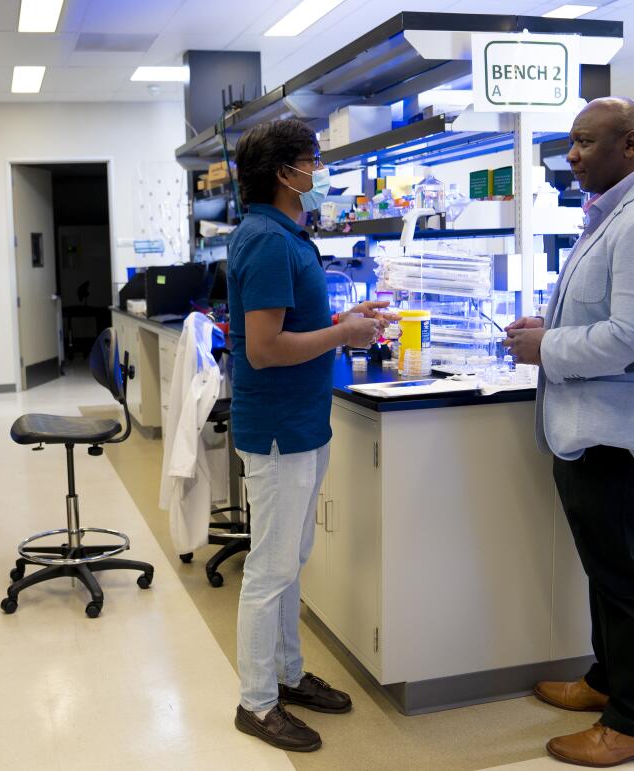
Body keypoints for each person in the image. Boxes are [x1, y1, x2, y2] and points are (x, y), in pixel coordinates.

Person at [504, 97, 634, 767]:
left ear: (631, 144)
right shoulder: (616, 213)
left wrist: (547, 349)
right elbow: (608, 313)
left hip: (630, 437)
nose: (572, 155)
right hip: (600, 431)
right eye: (572, 142)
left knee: (628, 578)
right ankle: (607, 682)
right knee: (607, 571)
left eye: (586, 142)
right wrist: (550, 330)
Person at [227, 118, 391, 753]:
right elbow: (265, 348)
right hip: (277, 431)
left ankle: (288, 675)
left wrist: (345, 320)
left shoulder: (282, 237)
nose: (319, 173)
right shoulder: (267, 243)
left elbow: (295, 324)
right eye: (312, 163)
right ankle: (256, 702)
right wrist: (343, 336)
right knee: (269, 571)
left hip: (299, 425)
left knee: (289, 563)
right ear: (284, 173)